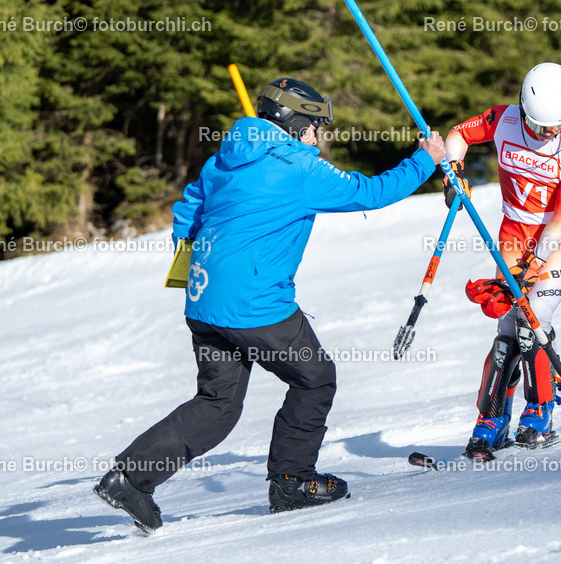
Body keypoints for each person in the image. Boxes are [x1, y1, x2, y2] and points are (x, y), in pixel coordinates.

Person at [95, 77, 446, 531]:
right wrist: (426, 159)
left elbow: (193, 202)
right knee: (315, 378)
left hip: (203, 299)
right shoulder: (300, 170)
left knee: (218, 402)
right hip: (254, 305)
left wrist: (191, 249)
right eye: (316, 127)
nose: (319, 137)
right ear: (298, 126)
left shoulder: (228, 154)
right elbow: (371, 193)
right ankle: (292, 483)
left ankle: (130, 479)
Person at [443, 62, 561, 455]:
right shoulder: (506, 119)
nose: (548, 134)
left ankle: (540, 410)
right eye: (538, 126)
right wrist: (453, 170)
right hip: (513, 234)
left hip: (556, 240)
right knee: (508, 330)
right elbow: (459, 134)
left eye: (556, 125)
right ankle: (491, 418)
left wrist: (534, 267)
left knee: (534, 321)